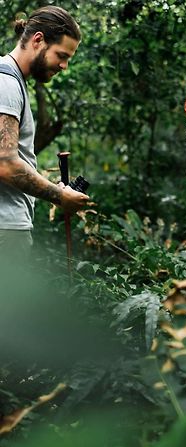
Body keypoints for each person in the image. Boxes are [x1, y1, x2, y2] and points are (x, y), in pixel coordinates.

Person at [0, 6, 89, 260]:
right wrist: (60, 195)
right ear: (38, 40)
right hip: (6, 230)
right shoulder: (6, 82)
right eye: (61, 55)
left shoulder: (11, 80)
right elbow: (5, 163)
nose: (64, 66)